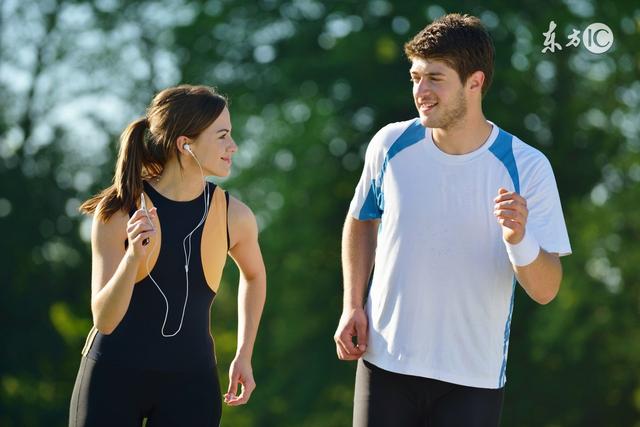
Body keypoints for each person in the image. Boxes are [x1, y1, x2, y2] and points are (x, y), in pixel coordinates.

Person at [334, 13, 571, 427]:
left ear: (474, 82)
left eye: (435, 79)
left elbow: (547, 288)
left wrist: (519, 239)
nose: (420, 91)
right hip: (384, 364)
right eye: (415, 77)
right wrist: (353, 304)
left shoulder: (527, 167)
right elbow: (361, 219)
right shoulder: (389, 144)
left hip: (472, 380)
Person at [69, 85, 266, 427]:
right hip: (112, 378)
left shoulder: (235, 216)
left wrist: (244, 354)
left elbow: (255, 275)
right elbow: (105, 319)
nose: (232, 146)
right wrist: (133, 258)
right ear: (185, 144)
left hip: (191, 385)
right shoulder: (118, 211)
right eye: (222, 136)